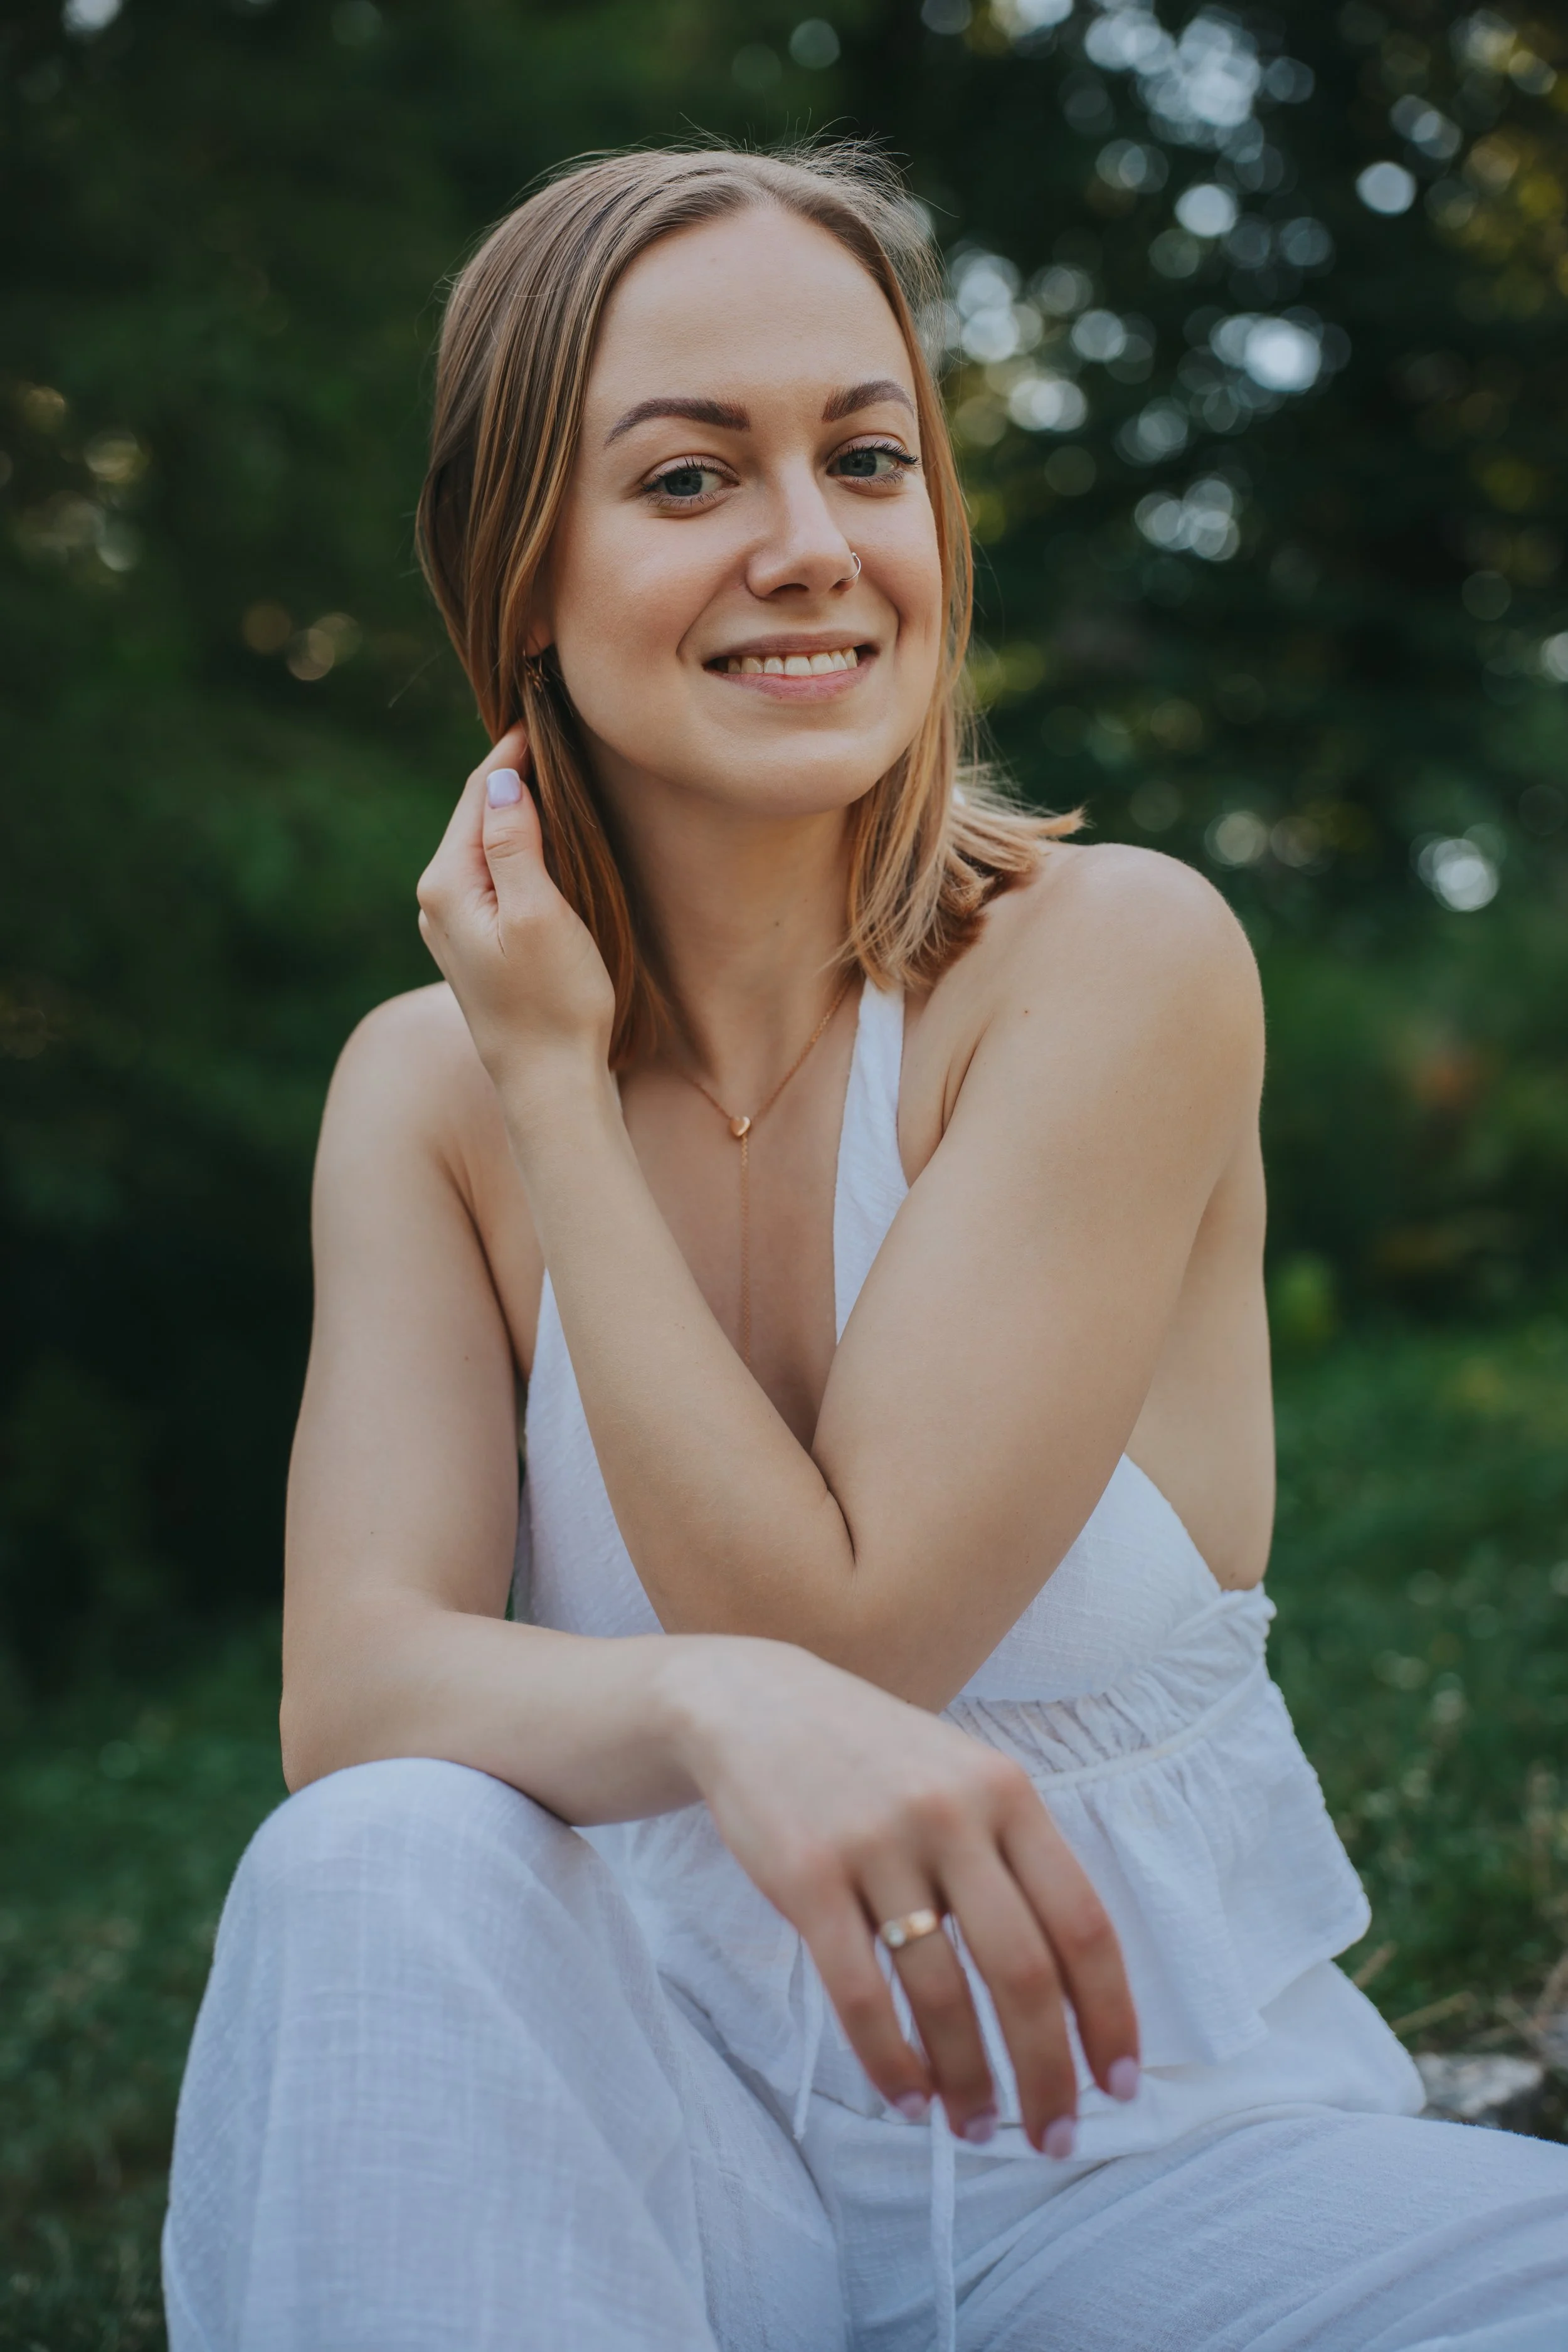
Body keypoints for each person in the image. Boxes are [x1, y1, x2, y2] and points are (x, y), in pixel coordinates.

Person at [162, 144, 1568, 2352]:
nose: (809, 547)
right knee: (370, 1862)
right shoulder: (428, 1087)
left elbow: (847, 1626)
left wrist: (555, 1101)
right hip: (644, 2187)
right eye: (690, 476)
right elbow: (355, 1693)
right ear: (517, 565)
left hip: (1140, 2183)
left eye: (867, 455)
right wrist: (540, 1082)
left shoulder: (1108, 964)